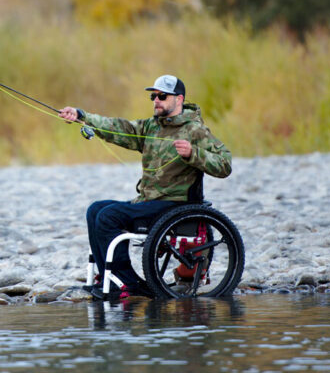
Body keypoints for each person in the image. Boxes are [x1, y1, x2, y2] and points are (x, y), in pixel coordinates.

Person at [57, 75, 232, 298]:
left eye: (162, 96)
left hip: (175, 205)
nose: (156, 100)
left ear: (179, 100)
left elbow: (225, 164)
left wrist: (193, 154)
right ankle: (109, 277)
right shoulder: (151, 126)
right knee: (95, 209)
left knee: (109, 216)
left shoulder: (195, 130)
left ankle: (126, 283)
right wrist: (82, 116)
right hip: (148, 202)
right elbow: (118, 128)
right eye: (153, 96)